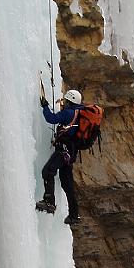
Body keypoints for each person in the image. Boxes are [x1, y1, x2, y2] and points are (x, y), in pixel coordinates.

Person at [36, 88, 82, 225]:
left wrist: (45, 106)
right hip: (70, 153)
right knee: (67, 184)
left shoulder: (68, 113)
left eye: (66, 100)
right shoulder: (77, 112)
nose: (65, 102)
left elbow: (51, 118)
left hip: (62, 152)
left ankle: (49, 201)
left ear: (70, 101)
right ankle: (74, 215)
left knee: (47, 171)